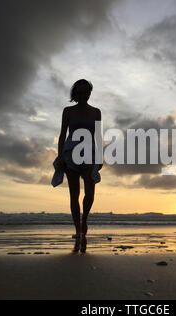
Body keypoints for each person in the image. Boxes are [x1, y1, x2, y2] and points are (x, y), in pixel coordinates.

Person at [57, 79, 102, 253]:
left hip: (89, 154)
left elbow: (98, 136)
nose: (84, 95)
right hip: (71, 154)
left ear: (90, 93)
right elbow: (62, 134)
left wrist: (99, 156)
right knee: (74, 194)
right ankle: (78, 230)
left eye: (86, 92)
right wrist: (60, 155)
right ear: (75, 94)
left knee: (90, 192)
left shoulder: (96, 112)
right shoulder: (68, 111)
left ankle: (85, 220)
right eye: (80, 92)